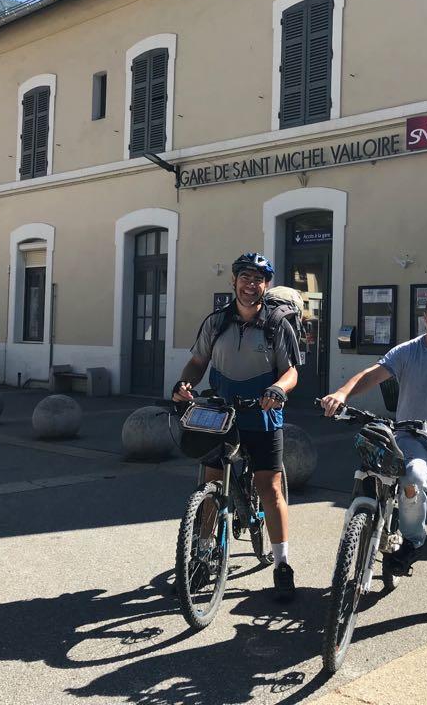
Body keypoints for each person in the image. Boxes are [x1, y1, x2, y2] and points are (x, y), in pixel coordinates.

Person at [320, 290, 427, 627]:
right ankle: (414, 541)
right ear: (425, 316)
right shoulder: (408, 351)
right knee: (412, 478)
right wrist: (342, 393)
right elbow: (373, 373)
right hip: (412, 437)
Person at [173, 252, 300, 601]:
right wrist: (184, 385)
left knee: (270, 487)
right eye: (245, 276)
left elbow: (291, 372)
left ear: (266, 285)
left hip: (262, 413)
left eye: (258, 278)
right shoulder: (216, 323)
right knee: (211, 483)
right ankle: (201, 554)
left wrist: (277, 388)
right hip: (221, 412)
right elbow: (198, 361)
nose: (251, 284)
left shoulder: (277, 324)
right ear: (234, 281)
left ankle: (282, 565)